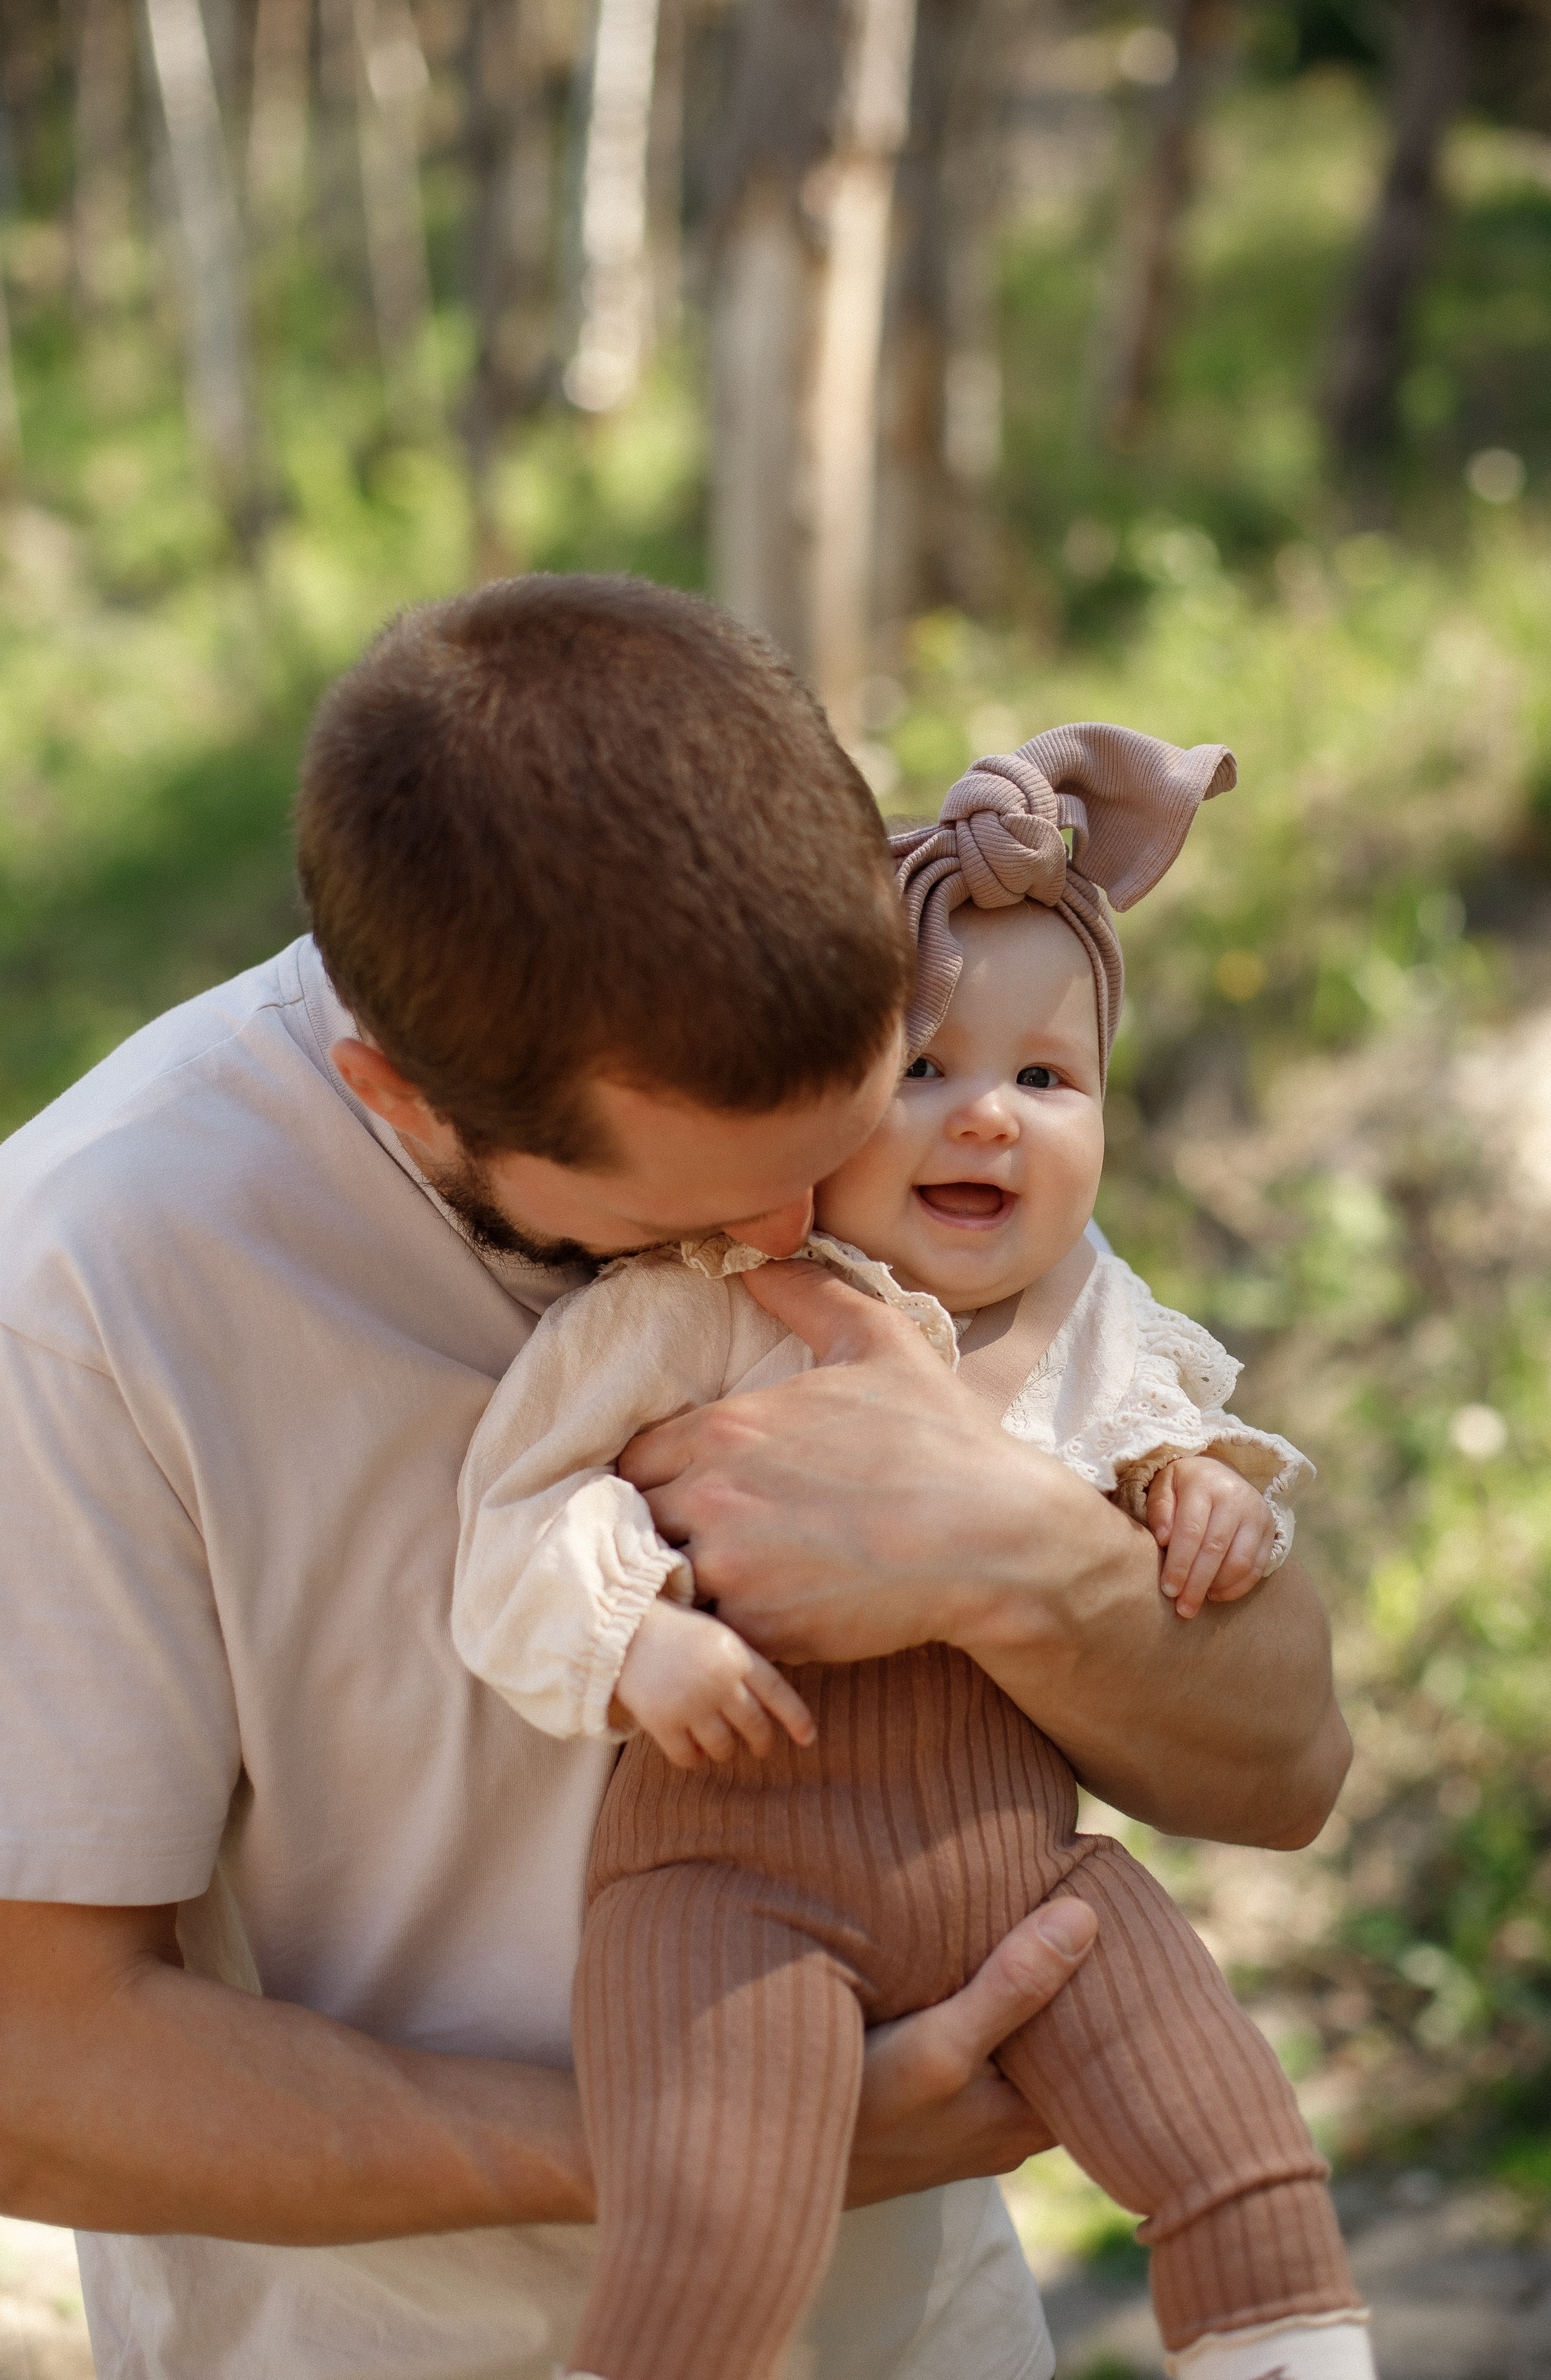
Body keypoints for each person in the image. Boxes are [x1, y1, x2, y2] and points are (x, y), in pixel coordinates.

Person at [0, 578, 1351, 2380]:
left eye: (840, 1136)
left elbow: (1287, 1767)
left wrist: (1032, 1563)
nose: (797, 1243)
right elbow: (39, 2068)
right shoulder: (87, 1287)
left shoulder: (886, 1068)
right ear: (401, 1101)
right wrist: (728, 2142)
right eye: (699, 1212)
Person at [451, 724, 1372, 2380]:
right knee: (723, 2211)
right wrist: (634, 1633)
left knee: (1223, 2123)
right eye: (924, 1073)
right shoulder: (702, 1305)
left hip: (1019, 1870)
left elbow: (1184, 1464)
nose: (986, 1124)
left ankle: (1282, 2341)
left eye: (1045, 1081)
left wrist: (1209, 1504)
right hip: (732, 1878)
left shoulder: (1101, 1325)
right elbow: (516, 1511)